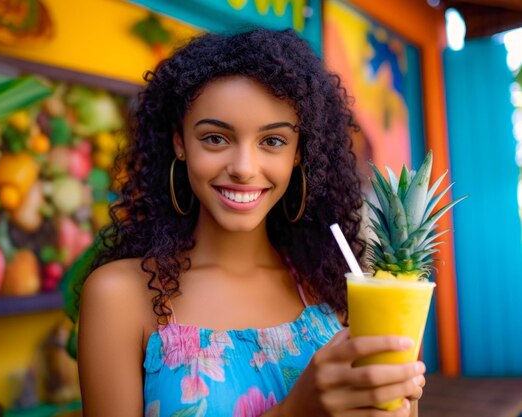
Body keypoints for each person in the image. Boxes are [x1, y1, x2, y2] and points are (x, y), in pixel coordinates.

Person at [78, 28, 425, 417]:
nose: (244, 168)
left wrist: (402, 402)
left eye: (272, 141)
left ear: (298, 152)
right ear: (180, 143)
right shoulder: (120, 297)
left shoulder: (337, 289)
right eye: (215, 138)